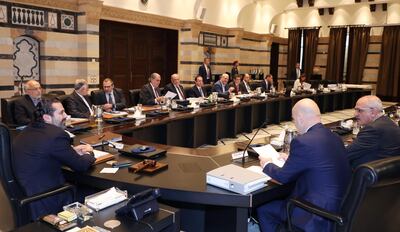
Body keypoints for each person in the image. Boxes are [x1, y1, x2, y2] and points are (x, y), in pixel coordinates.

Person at [257, 98, 351, 232]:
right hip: (340, 207)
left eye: (294, 119)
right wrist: (291, 158)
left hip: (315, 212)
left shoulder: (303, 141)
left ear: (300, 118)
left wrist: (266, 164)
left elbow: (283, 177)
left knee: (264, 210)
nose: (295, 123)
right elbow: (319, 160)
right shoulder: (334, 137)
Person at [13, 98, 96, 220]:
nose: (67, 116)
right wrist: (89, 152)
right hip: (48, 199)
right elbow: (81, 166)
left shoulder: (27, 130)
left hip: (27, 199)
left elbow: (45, 152)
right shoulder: (56, 134)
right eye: (61, 113)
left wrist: (71, 151)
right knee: (96, 191)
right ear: (47, 118)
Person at [346, 95, 400, 169]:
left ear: (373, 112)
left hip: (366, 175)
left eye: (359, 110)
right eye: (355, 110)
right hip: (387, 173)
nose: (355, 114)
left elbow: (346, 154)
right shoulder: (389, 122)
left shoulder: (372, 129)